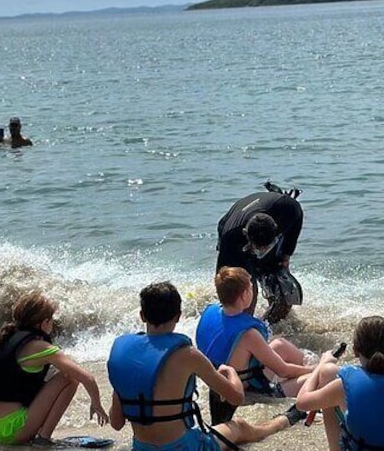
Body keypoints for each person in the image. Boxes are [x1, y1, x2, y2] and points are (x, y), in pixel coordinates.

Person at [107, 281, 306, 451]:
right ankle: (283, 421)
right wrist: (230, 372)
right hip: (185, 446)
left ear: (142, 315)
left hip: (142, 447)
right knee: (239, 427)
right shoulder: (187, 355)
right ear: (178, 316)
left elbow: (116, 423)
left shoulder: (124, 354)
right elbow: (235, 397)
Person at [0, 292, 108, 445]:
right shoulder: (40, 347)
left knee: (45, 374)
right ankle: (43, 439)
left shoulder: (1, 341)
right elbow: (87, 377)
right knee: (70, 377)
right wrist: (97, 404)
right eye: (51, 320)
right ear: (44, 323)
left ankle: (22, 431)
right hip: (12, 430)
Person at [196, 267, 319, 423]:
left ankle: (311, 363)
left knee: (280, 344)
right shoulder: (248, 334)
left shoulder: (210, 310)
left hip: (219, 376)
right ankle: (317, 368)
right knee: (318, 378)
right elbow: (284, 371)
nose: (253, 291)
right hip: (247, 387)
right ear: (244, 295)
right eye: (251, 287)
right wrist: (315, 370)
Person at [296, 316, 384, 451]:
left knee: (327, 376)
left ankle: (334, 449)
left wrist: (320, 365)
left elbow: (301, 403)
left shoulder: (342, 387)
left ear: (355, 350)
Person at [216, 186, 304, 322]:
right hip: (236, 237)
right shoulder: (231, 237)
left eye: (264, 247)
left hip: (273, 210)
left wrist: (286, 255)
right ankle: (244, 325)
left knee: (283, 295)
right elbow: (221, 278)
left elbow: (296, 223)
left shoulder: (289, 209)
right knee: (245, 288)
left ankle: (266, 326)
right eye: (257, 247)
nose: (259, 251)